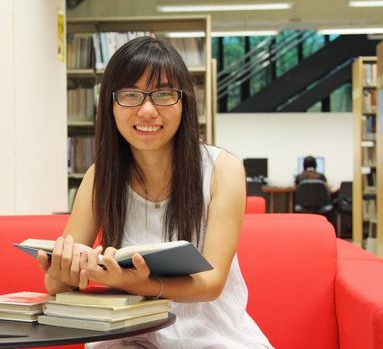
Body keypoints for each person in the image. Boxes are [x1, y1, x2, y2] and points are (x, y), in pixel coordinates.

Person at [37, 36, 273, 348]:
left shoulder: (222, 170)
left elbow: (210, 284)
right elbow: (56, 285)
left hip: (210, 336)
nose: (147, 111)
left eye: (162, 94)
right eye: (131, 95)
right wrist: (61, 272)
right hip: (129, 334)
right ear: (110, 103)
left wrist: (138, 283)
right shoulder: (99, 178)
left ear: (184, 101)